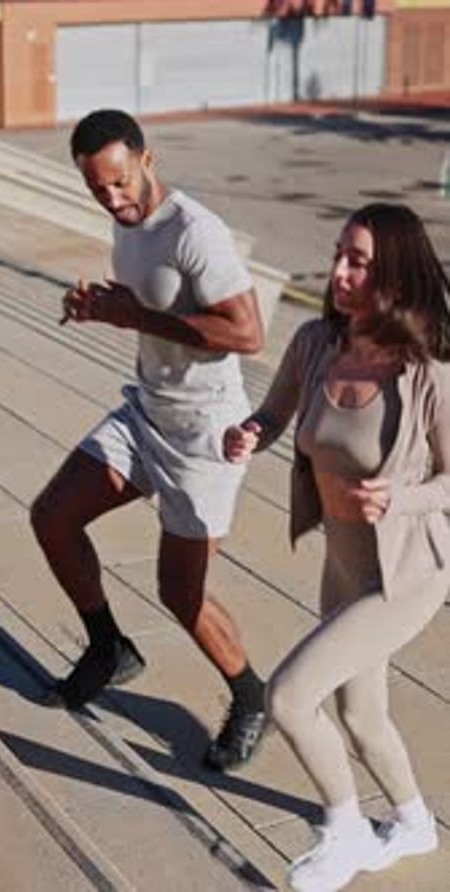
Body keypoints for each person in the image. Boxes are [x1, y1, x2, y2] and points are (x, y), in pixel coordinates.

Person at [30, 108, 267, 771]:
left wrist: (138, 315)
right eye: (98, 188)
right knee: (52, 516)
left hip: (205, 432)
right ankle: (108, 647)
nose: (113, 198)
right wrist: (105, 305)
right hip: (147, 413)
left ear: (147, 160)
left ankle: (251, 695)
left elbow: (249, 335)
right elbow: (150, 308)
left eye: (122, 181)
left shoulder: (197, 232)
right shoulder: (125, 223)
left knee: (180, 594)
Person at [223, 203, 450, 889]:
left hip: (406, 573)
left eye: (360, 262)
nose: (340, 273)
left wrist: (399, 498)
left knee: (290, 697)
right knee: (360, 712)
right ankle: (413, 824)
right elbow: (274, 412)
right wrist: (250, 434)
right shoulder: (317, 342)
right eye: (339, 256)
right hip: (346, 564)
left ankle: (345, 828)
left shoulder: (428, 368)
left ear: (399, 278)